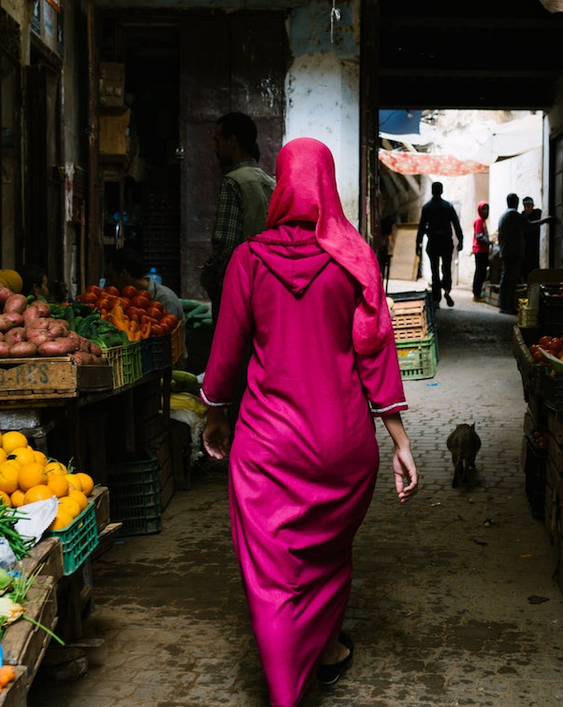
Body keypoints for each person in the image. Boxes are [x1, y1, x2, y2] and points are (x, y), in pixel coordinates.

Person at [201, 137, 418, 707]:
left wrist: (215, 414)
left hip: (267, 444)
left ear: (281, 184)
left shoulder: (249, 260)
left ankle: (283, 691)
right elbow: (377, 351)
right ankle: (324, 651)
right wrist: (400, 440)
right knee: (325, 557)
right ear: (329, 184)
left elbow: (225, 357)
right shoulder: (354, 258)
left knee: (275, 577)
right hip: (342, 443)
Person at [200, 112, 276, 323]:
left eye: (218, 140)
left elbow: (225, 243)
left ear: (232, 141)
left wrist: (209, 276)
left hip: (238, 286)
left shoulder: (232, 181)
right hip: (266, 283)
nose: (215, 148)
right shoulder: (270, 182)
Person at [105, 248, 188, 364]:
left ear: (123, 274)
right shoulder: (124, 299)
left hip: (169, 363)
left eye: (110, 276)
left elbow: (166, 340)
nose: (108, 282)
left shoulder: (164, 298)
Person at [415, 181, 464, 308]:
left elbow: (421, 227)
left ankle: (436, 298)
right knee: (446, 269)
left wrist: (418, 243)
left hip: (433, 242)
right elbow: (456, 224)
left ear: (432, 191)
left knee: (434, 270)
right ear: (441, 191)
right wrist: (460, 240)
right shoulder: (448, 206)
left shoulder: (427, 207)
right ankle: (447, 290)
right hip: (446, 242)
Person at [471, 201, 490, 302]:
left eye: (487, 209)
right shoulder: (479, 221)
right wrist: (489, 241)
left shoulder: (483, 221)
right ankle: (476, 294)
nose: (486, 211)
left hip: (484, 250)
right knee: (479, 272)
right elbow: (479, 236)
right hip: (480, 250)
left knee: (482, 272)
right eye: (484, 209)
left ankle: (477, 293)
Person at [521, 196, 543, 281]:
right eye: (525, 206)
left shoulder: (537, 213)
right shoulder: (522, 216)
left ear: (532, 206)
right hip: (525, 246)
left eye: (528, 206)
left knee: (534, 266)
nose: (527, 208)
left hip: (535, 245)